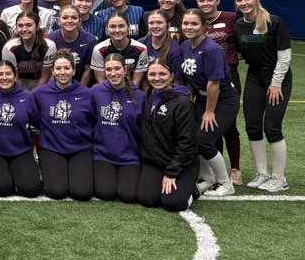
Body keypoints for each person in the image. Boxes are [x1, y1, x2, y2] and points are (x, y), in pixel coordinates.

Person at [234, 0, 294, 193]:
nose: (244, 3)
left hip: (277, 77)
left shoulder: (274, 22)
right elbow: (241, 53)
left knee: (272, 127)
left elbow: (284, 56)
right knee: (252, 125)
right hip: (254, 77)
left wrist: (276, 83)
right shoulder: (239, 25)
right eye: (239, 0)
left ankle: (279, 177)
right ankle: (262, 173)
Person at [180, 9, 238, 197]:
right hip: (202, 97)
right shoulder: (185, 46)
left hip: (222, 99)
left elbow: (213, 84)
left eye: (194, 24)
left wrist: (209, 111)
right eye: (186, 23)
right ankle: (209, 178)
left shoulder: (212, 49)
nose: (189, 27)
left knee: (203, 140)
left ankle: (225, 183)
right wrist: (190, 100)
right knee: (191, 138)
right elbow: (189, 77)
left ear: (204, 26)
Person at [137, 60, 199, 212]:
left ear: (171, 76)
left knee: (172, 203)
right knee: (147, 199)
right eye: (152, 74)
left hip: (180, 163)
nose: (157, 78)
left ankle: (191, 189)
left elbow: (187, 142)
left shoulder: (183, 103)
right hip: (155, 161)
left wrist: (172, 173)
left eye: (162, 74)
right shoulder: (150, 94)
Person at [33, 51, 95, 201]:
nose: (63, 72)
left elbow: (93, 121)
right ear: (52, 71)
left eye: (67, 68)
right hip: (51, 147)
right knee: (57, 192)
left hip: (80, 148)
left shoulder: (87, 94)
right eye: (58, 68)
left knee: (82, 193)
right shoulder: (40, 93)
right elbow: (35, 121)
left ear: (73, 71)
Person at [0, 61, 42, 198]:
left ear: (15, 76)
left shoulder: (27, 97)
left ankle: (16, 175)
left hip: (20, 150)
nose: (4, 78)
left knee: (30, 190)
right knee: (1, 189)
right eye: (0, 74)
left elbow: (38, 124)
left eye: (8, 74)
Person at [199, 0, 243, 184]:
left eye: (209, 0)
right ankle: (219, 167)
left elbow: (241, 41)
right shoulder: (197, 21)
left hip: (228, 76)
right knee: (211, 126)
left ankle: (235, 169)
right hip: (205, 78)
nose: (206, 4)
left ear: (217, 1)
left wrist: (238, 57)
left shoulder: (230, 18)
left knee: (229, 125)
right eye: (202, 1)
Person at [90, 54, 143, 203]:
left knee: (128, 195)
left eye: (117, 68)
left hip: (129, 156)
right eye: (108, 69)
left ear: (125, 69)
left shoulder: (139, 96)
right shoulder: (96, 91)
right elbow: (91, 120)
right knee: (106, 193)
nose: (113, 73)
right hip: (103, 154)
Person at [91, 13, 150, 86]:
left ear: (128, 27)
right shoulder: (99, 49)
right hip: (107, 91)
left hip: (131, 92)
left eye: (121, 26)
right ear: (107, 29)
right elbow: (101, 82)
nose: (117, 30)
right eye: (113, 27)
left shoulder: (141, 49)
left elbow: (136, 83)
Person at [1, 12, 55, 90]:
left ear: (37, 26)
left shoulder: (49, 45)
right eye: (20, 26)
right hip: (18, 85)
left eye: (29, 25)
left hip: (43, 84)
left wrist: (35, 94)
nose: (24, 29)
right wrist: (25, 96)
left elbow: (45, 78)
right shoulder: (9, 47)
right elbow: (15, 78)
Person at [46, 5, 97, 85]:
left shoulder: (90, 41)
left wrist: (79, 91)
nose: (69, 21)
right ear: (59, 20)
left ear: (80, 21)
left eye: (74, 18)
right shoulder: (50, 39)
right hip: (55, 83)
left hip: (80, 83)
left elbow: (88, 70)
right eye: (65, 18)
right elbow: (48, 68)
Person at [142, 10, 185, 87]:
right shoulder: (142, 44)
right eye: (151, 23)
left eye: (159, 22)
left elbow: (177, 82)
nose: (155, 26)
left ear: (168, 25)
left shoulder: (175, 50)